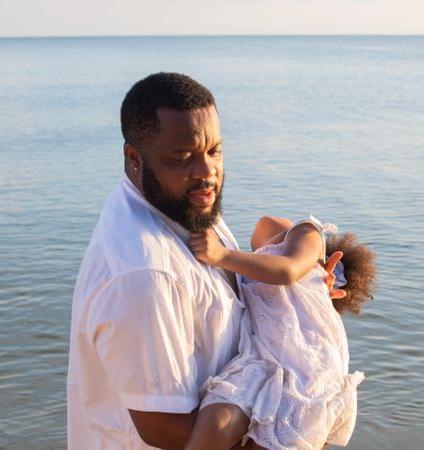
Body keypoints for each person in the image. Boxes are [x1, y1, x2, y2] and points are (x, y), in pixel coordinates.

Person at [66, 72, 344, 450]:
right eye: (182, 158)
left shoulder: (185, 206)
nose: (206, 172)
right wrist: (295, 430)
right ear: (135, 158)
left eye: (214, 151)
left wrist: (300, 298)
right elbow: (167, 430)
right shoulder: (144, 274)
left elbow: (233, 301)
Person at [184, 216, 377, 450]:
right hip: (261, 358)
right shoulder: (251, 265)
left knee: (282, 433)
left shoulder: (309, 231)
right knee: (217, 422)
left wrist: (220, 255)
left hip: (307, 362)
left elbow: (287, 270)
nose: (284, 220)